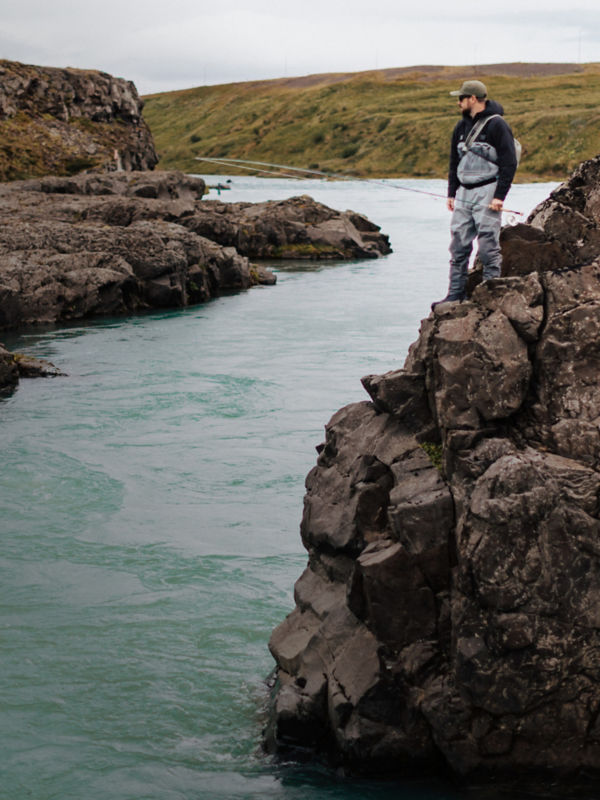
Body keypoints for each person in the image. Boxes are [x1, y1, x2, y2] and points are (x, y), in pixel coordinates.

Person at [432, 79, 518, 309]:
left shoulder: (497, 125)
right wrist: (451, 192)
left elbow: (509, 163)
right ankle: (454, 294)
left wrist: (499, 196)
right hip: (463, 193)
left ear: (472, 99)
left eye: (461, 98)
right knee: (458, 245)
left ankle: (491, 293)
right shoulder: (460, 128)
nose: (458, 102)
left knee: (488, 243)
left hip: (488, 190)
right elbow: (453, 162)